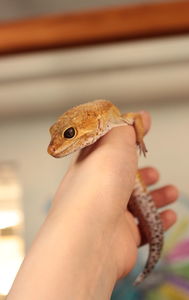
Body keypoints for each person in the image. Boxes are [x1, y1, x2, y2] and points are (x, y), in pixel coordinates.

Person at [7, 112, 178, 300]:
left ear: (95, 122)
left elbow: (135, 117)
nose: (52, 149)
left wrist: (137, 137)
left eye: (69, 134)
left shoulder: (116, 122)